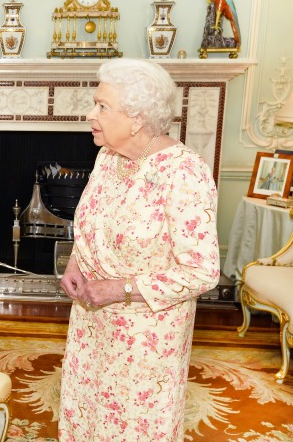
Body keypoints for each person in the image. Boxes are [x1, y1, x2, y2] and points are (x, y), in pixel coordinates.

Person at [58, 58, 220, 441]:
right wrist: (77, 264)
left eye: (102, 106)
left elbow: (202, 271)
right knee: (88, 412)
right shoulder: (108, 157)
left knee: (133, 426)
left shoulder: (184, 174)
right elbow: (94, 223)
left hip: (145, 338)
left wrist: (117, 289)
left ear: (136, 119)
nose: (89, 114)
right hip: (91, 322)